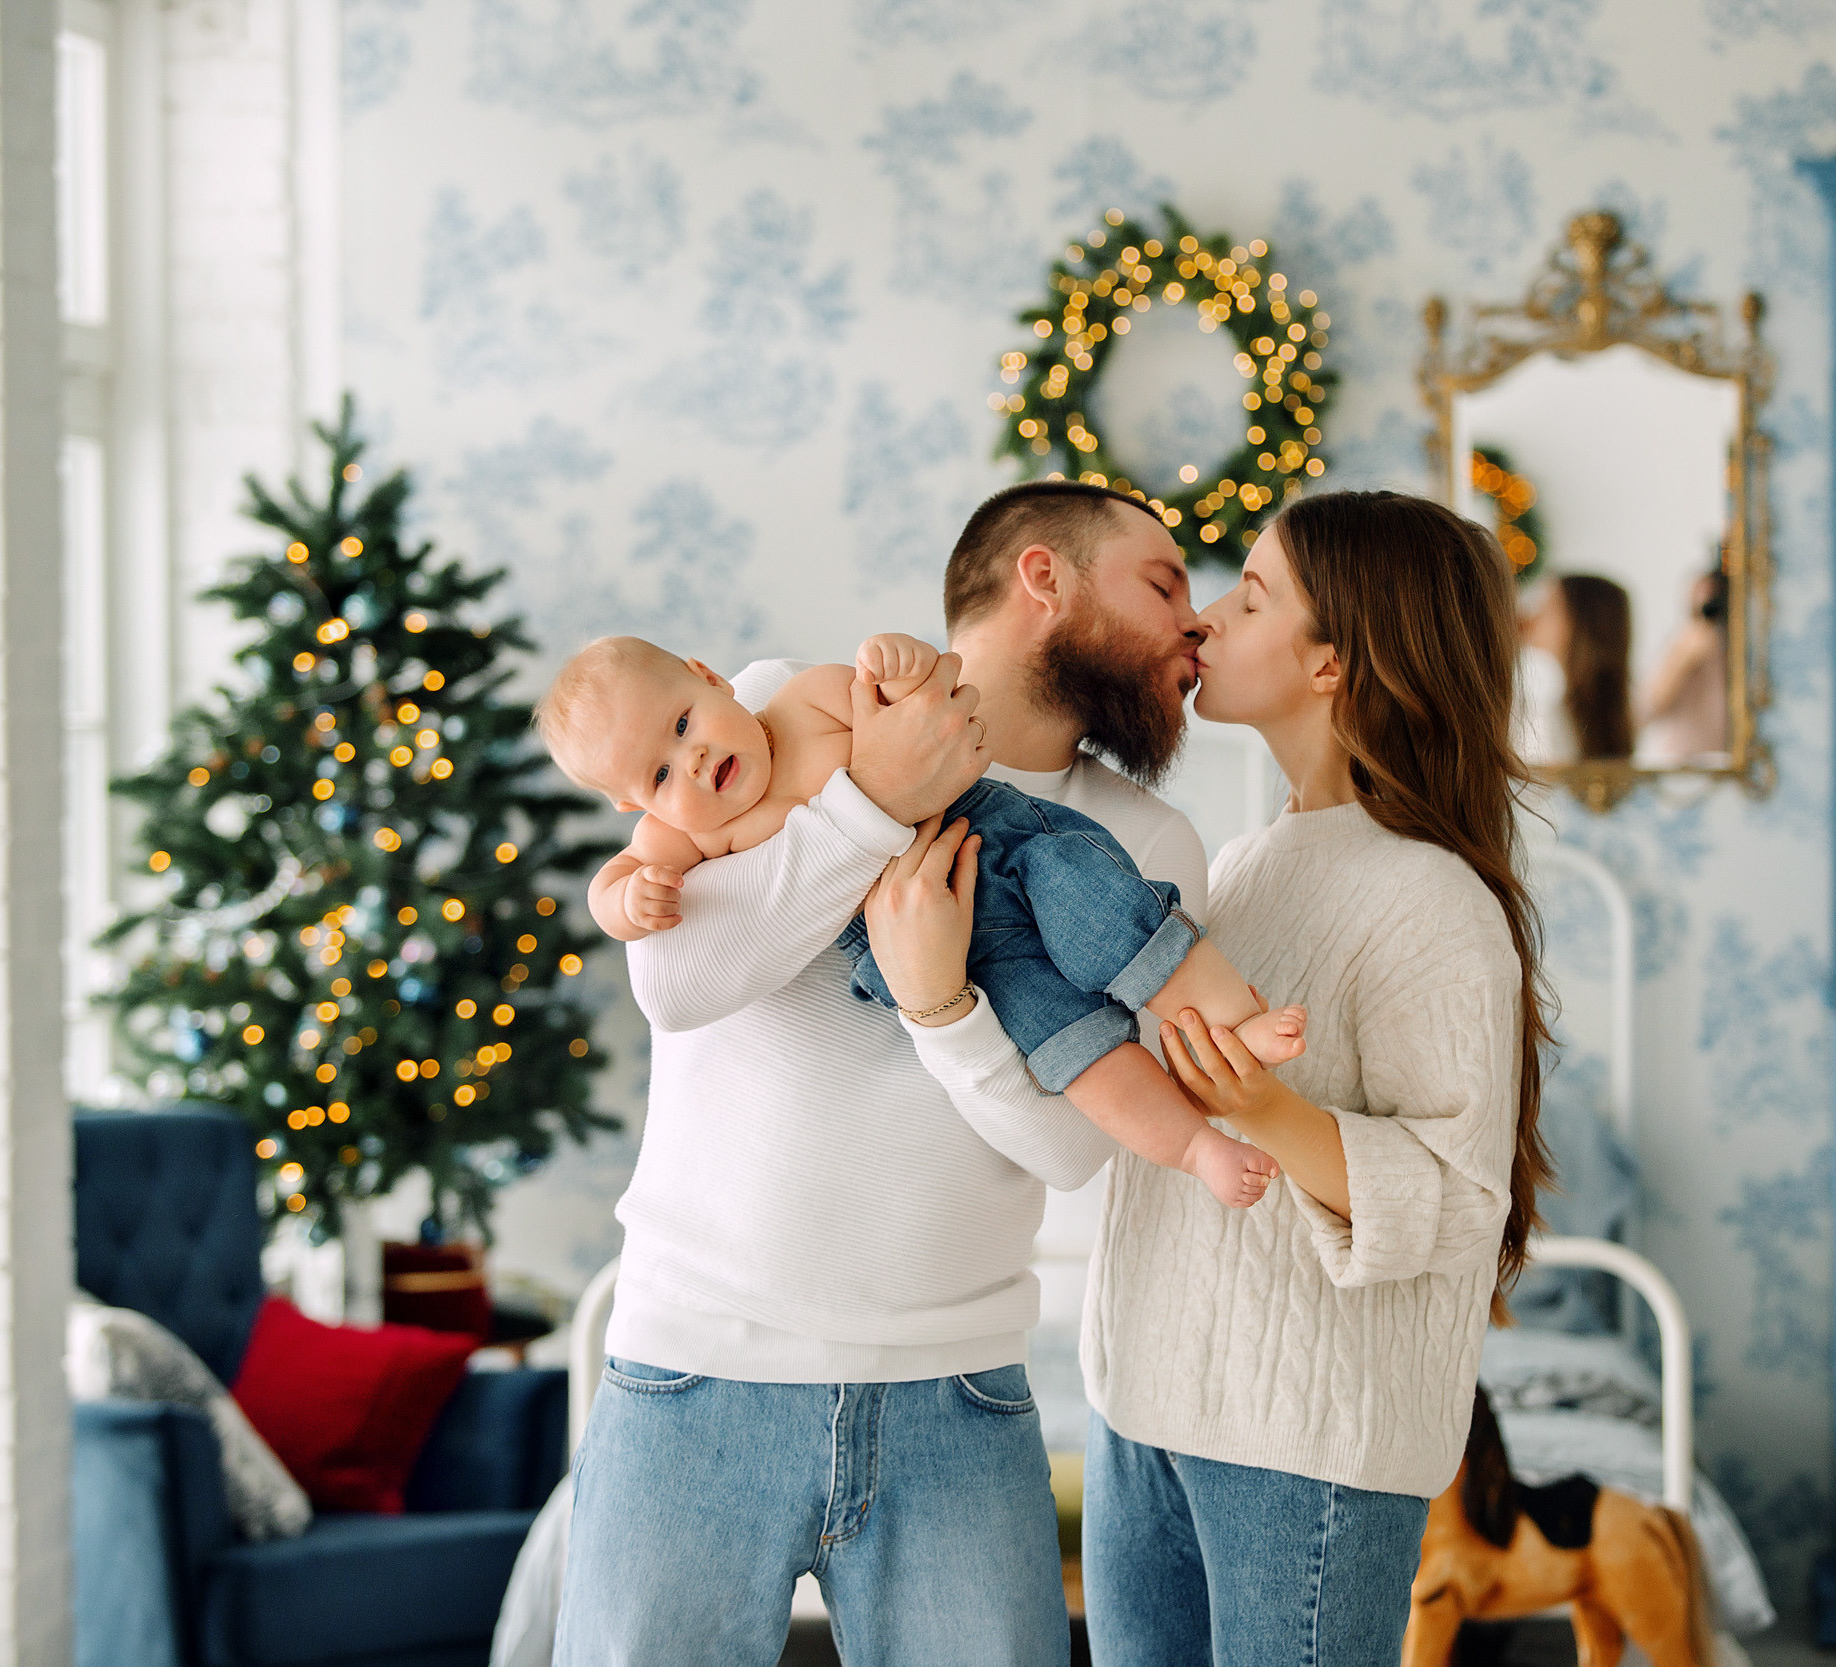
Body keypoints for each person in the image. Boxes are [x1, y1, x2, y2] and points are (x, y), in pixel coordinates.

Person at [870, 488, 1554, 1665]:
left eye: (1249, 596)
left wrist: (1268, 1112)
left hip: (1306, 1446)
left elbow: (1452, 1199)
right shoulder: (1244, 865)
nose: (1204, 625)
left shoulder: (1432, 899)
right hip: (1148, 1412)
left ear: (1332, 661)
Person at [552, 480, 1215, 1667]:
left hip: (953, 1399)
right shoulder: (759, 719)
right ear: (1043, 580)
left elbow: (1071, 1148)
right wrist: (873, 805)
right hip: (695, 1370)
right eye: (1164, 583)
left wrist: (940, 1003)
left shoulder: (1142, 852)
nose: (1197, 623)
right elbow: (677, 981)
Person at [533, 630, 1299, 1205]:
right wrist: (625, 900)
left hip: (1001, 845)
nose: (692, 760)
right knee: (1075, 1052)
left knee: (1120, 926)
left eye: (682, 724)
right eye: (660, 773)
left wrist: (905, 666)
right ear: (634, 803)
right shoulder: (686, 833)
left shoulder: (802, 699)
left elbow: (924, 706)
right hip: (966, 961)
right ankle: (1197, 1149)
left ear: (711, 680)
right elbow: (623, 885)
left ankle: (1238, 1020)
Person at [1518, 572, 1633, 761]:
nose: (1533, 614)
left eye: (1549, 606)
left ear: (1580, 623)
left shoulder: (1549, 711)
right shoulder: (1554, 703)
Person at [1636, 566, 1730, 762]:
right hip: (1683, 763)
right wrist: (1683, 660)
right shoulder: (1688, 642)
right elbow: (1650, 706)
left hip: (1719, 762)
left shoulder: (1735, 648)